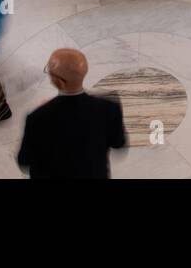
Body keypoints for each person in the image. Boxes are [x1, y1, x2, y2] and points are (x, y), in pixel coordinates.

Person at [17, 48, 127, 178]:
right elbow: (118, 143)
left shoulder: (37, 118)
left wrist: (45, 110)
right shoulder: (109, 108)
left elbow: (24, 161)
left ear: (59, 82)